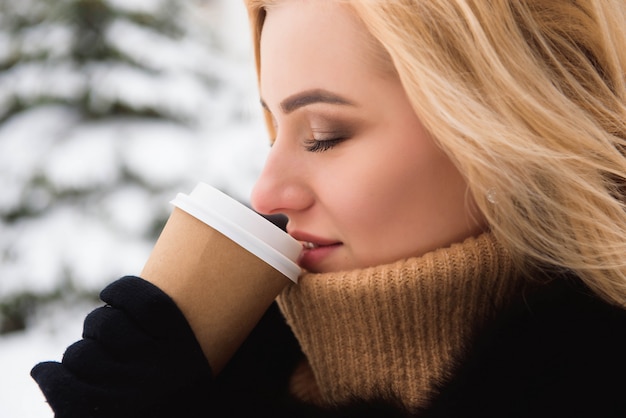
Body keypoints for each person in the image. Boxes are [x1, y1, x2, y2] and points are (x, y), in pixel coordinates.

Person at [32, 0, 626, 416]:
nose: (265, 194)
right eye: (273, 131)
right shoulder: (220, 369)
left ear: (508, 122)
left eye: (323, 135)